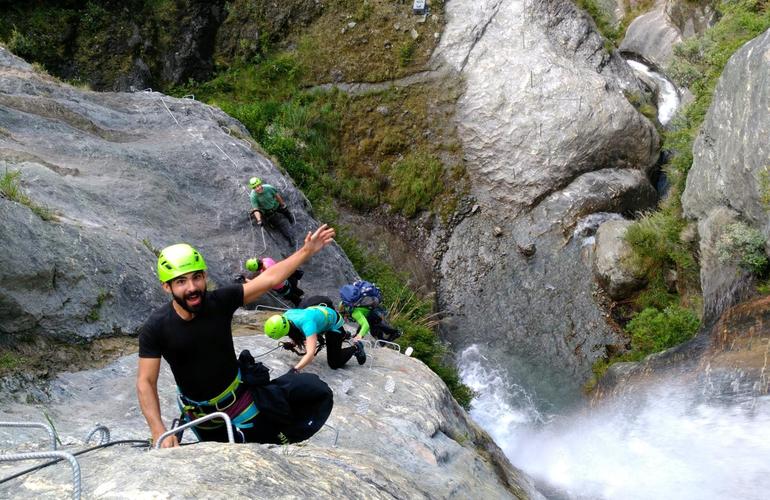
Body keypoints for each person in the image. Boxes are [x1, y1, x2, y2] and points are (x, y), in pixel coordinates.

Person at [136, 225, 335, 448]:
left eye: (196, 277)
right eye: (181, 281)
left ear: (205, 277)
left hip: (242, 402)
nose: (192, 287)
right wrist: (158, 430)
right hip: (202, 419)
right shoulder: (156, 327)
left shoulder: (219, 302)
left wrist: (306, 252)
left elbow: (268, 279)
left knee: (313, 392)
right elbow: (146, 381)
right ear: (167, 287)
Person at [263, 300, 366, 372]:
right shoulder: (286, 316)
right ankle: (343, 335)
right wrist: (292, 343)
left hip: (333, 323)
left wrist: (295, 369)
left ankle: (356, 347)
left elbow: (310, 354)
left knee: (334, 363)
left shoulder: (307, 324)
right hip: (320, 314)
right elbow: (295, 331)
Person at [247, 177, 295, 247]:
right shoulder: (253, 196)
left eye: (258, 186)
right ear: (253, 188)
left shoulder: (268, 188)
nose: (257, 188)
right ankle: (290, 237)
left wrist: (283, 204)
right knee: (280, 223)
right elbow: (256, 209)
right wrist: (259, 220)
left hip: (276, 205)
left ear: (260, 184)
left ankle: (288, 215)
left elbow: (276, 195)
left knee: (285, 211)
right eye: (255, 187)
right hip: (268, 211)